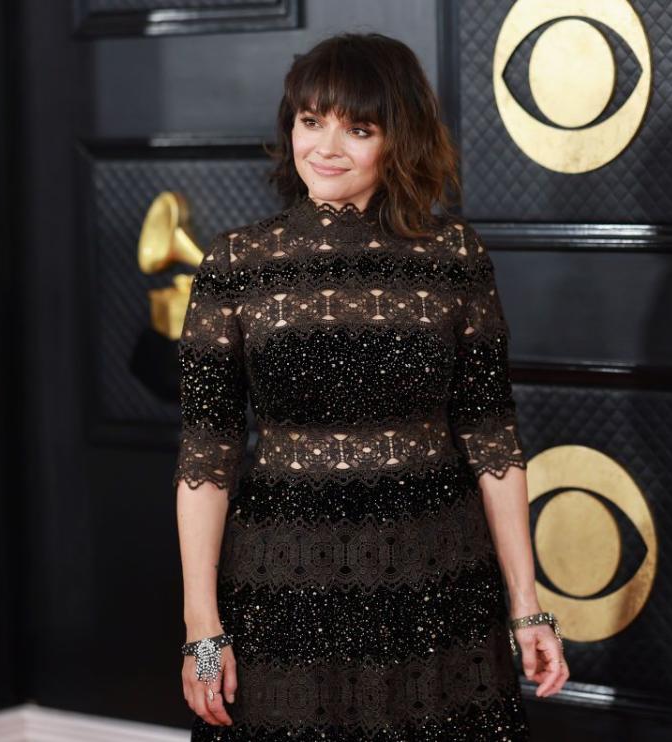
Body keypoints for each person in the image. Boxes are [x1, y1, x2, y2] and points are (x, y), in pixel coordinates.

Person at [174, 32, 568, 741]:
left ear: (399, 141)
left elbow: (491, 437)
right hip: (283, 580)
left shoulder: (454, 257)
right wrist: (202, 626)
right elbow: (207, 458)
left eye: (359, 128)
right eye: (310, 120)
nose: (325, 146)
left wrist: (527, 607)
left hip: (435, 575)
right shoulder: (236, 262)